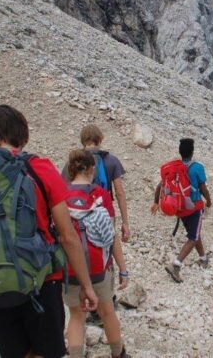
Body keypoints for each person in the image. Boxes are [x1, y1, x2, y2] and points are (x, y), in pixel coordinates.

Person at [0, 105, 97, 358]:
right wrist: (86, 285)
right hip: (41, 282)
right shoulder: (38, 167)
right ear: (23, 136)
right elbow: (67, 236)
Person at [63, 150, 130, 358]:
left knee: (76, 317)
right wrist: (123, 269)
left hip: (70, 269)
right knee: (107, 311)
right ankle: (118, 354)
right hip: (99, 269)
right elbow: (111, 236)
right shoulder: (100, 195)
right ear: (92, 169)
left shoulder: (60, 195)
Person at [150, 138, 211, 283]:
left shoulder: (174, 167)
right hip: (194, 208)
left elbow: (160, 186)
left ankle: (203, 259)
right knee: (193, 237)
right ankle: (176, 265)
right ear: (192, 152)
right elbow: (203, 188)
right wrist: (209, 201)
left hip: (180, 209)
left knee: (194, 233)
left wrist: (155, 202)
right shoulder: (197, 168)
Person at [63, 125, 131, 242]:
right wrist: (125, 223)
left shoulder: (74, 162)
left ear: (83, 141)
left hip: (77, 211)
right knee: (106, 244)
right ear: (100, 140)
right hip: (105, 212)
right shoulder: (112, 160)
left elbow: (62, 189)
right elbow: (119, 193)